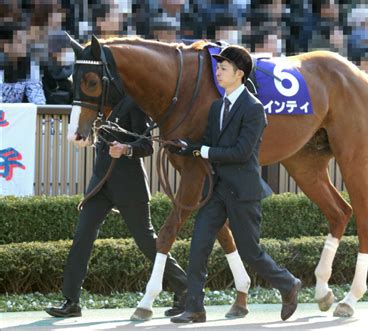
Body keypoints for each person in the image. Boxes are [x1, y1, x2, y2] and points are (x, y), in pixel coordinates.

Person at [169, 45, 302, 323]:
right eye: (218, 67)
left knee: (251, 253)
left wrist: (202, 152)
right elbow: (208, 144)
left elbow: (241, 152)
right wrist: (187, 148)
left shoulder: (254, 109)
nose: (218, 71)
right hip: (217, 191)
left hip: (243, 192)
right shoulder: (217, 106)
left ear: (239, 74)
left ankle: (288, 284)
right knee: (198, 245)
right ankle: (195, 308)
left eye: (224, 68)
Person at [45, 95, 187, 318]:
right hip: (100, 183)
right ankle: (71, 301)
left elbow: (146, 145)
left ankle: (185, 288)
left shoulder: (133, 103)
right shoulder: (97, 104)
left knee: (147, 242)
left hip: (129, 184)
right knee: (82, 236)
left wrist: (125, 149)